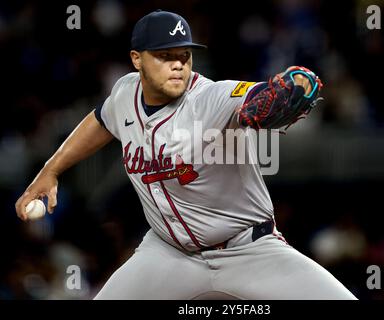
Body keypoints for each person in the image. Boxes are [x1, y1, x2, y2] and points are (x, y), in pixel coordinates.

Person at [15, 10, 356, 300]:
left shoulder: (212, 98)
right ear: (137, 60)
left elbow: (249, 98)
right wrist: (51, 169)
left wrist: (280, 96)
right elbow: (101, 121)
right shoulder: (124, 93)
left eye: (184, 55)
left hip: (248, 250)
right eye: (165, 56)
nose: (178, 64)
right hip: (166, 253)